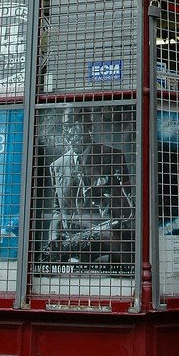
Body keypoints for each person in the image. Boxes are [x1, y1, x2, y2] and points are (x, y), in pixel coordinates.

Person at [46, 106, 134, 266]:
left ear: (89, 126)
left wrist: (103, 200)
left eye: (73, 125)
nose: (68, 132)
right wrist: (54, 239)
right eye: (66, 127)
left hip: (106, 247)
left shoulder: (114, 157)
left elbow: (127, 208)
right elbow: (57, 209)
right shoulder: (56, 166)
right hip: (72, 250)